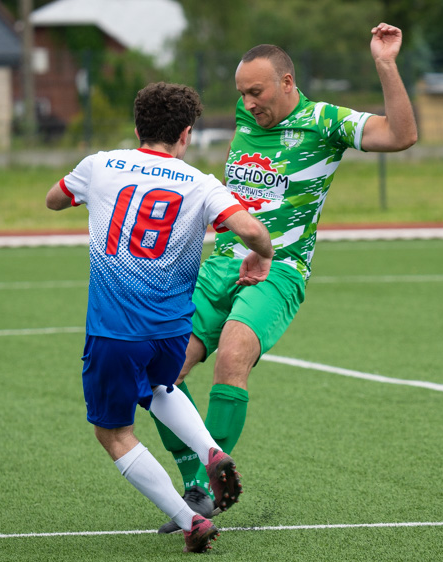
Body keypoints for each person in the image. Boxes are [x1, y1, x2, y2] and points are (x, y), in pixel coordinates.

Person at [151, 23, 418, 533]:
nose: (248, 103)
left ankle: (207, 485)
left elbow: (401, 135)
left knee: (232, 355)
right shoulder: (244, 116)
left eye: (258, 91)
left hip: (280, 270)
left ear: (288, 82)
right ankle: (194, 482)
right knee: (163, 370)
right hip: (218, 266)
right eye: (242, 94)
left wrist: (385, 64)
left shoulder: (325, 122)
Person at [45, 82, 275, 552]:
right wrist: (262, 256)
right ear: (186, 134)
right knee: (160, 387)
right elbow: (250, 229)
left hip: (115, 330)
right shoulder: (199, 182)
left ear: (137, 127)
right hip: (171, 330)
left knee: (112, 431)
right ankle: (210, 449)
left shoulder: (100, 165)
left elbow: (53, 198)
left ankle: (190, 520)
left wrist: (86, 196)